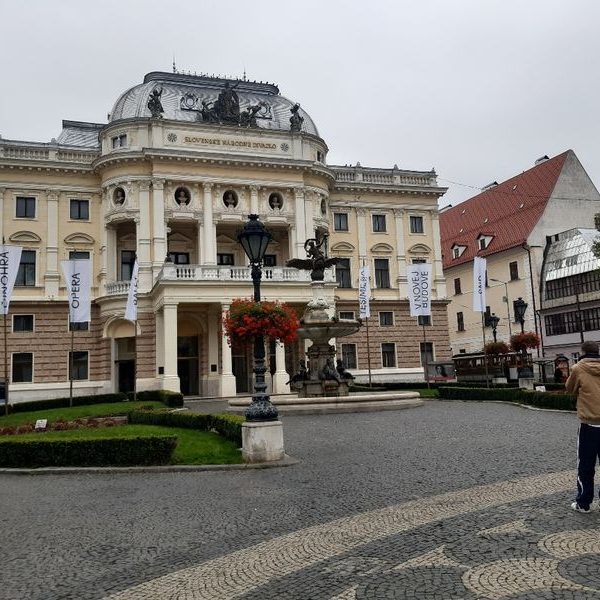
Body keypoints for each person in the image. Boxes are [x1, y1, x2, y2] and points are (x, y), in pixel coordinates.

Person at [565, 340, 600, 513]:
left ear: (583, 352)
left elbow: (569, 388)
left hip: (590, 425)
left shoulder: (578, 368)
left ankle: (584, 503)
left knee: (586, 466)